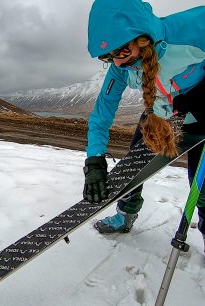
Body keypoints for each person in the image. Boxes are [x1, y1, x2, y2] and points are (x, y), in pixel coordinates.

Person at [83, 0, 205, 251]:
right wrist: (94, 160)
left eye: (121, 53)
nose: (116, 63)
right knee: (132, 170)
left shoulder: (192, 28)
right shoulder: (120, 68)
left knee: (203, 192)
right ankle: (125, 215)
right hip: (161, 117)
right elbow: (102, 113)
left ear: (141, 36)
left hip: (202, 115)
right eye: (108, 57)